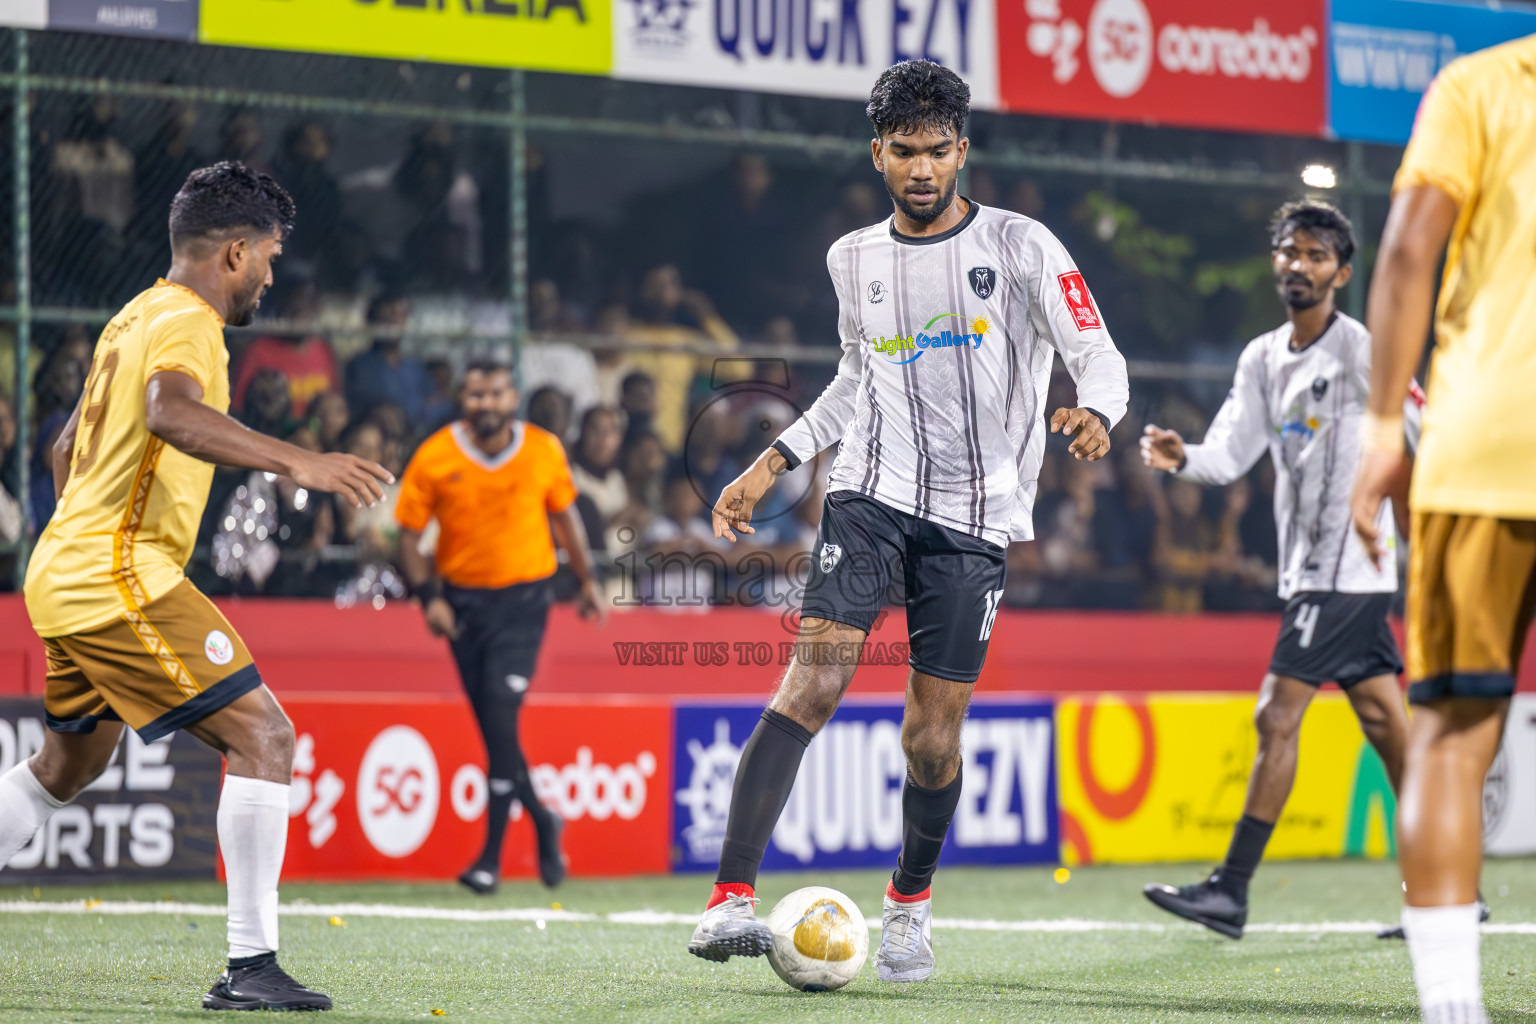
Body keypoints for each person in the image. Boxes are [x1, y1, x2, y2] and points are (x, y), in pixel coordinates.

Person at [687, 60, 1129, 981]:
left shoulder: (1021, 245)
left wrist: (1098, 410)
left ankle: (908, 906)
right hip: (870, 494)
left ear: (962, 150)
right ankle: (729, 899)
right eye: (903, 152)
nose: (921, 169)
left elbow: (1096, 349)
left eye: (936, 151)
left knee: (931, 740)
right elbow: (855, 379)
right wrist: (772, 463)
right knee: (811, 683)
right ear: (876, 153)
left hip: (975, 517)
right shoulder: (852, 258)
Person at [0, 162, 392, 1011]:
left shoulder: (132, 315)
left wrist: (83, 535)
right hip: (114, 571)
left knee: (66, 766)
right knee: (266, 737)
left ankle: (251, 967)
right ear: (235, 253)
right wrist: (298, 460)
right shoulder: (189, 320)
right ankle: (251, 967)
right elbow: (169, 412)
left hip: (68, 568)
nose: (271, 278)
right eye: (270, 259)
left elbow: (65, 450)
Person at [1138, 201, 1422, 938]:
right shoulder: (1263, 357)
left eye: (1317, 256)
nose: (1300, 265)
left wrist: (1420, 512)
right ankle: (1447, 891)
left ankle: (1230, 890)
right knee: (1389, 730)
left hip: (1347, 571)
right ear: (1276, 261)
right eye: (1291, 252)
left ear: (1342, 273)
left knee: (1276, 714)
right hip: (1311, 573)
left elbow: (1420, 422)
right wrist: (1184, 457)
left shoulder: (1360, 349)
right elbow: (1232, 453)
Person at [1348, 35, 1536, 1024]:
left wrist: (1385, 430)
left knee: (1455, 741)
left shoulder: (1477, 86)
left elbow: (1410, 248)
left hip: (1487, 448)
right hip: (1485, 454)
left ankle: (1454, 1008)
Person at [394, 358, 606, 896]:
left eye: (494, 394)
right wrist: (429, 599)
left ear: (513, 398)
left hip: (524, 603)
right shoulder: (435, 456)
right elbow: (408, 538)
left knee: (500, 711)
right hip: (462, 605)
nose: (485, 404)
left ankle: (489, 859)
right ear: (462, 400)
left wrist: (587, 581)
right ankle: (543, 819)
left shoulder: (543, 449)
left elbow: (566, 518)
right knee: (496, 728)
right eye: (475, 395)